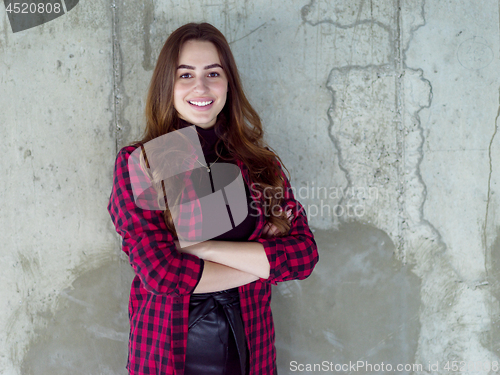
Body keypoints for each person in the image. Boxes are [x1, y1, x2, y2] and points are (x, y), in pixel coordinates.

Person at [107, 22, 319, 375]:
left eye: (213, 73)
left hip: (251, 346)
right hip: (171, 351)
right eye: (185, 75)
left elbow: (303, 256)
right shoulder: (146, 159)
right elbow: (161, 274)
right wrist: (262, 266)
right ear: (167, 86)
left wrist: (203, 249)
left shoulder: (259, 163)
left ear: (228, 84)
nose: (201, 86)